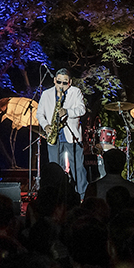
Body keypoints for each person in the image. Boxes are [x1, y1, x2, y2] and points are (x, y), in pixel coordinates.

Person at [36, 68, 87, 198]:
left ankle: (81, 195)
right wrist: (46, 125)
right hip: (54, 135)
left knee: (78, 168)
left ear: (70, 82)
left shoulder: (76, 92)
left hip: (72, 135)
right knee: (55, 168)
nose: (61, 85)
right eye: (59, 82)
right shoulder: (46, 94)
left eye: (65, 83)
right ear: (54, 80)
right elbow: (39, 113)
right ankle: (55, 196)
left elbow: (82, 110)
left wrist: (67, 111)